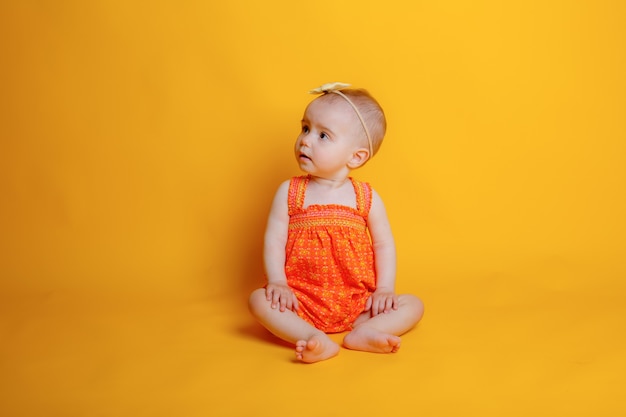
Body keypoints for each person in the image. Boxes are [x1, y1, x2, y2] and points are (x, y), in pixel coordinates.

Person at [248, 82, 424, 363]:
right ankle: (311, 336)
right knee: (258, 300)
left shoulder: (365, 197)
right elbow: (274, 239)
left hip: (357, 302)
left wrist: (384, 289)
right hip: (299, 299)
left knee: (414, 305)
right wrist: (278, 282)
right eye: (305, 128)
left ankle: (366, 331)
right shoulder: (291, 192)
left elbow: (383, 244)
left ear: (356, 156)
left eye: (323, 135)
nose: (305, 140)